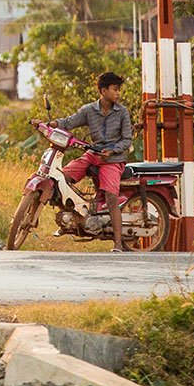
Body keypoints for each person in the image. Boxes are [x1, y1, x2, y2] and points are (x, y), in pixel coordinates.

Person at [57, 71, 133, 251]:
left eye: (119, 90)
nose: (118, 93)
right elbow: (68, 122)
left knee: (111, 197)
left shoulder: (122, 112)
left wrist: (112, 150)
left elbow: (127, 139)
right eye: (115, 89)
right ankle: (71, 219)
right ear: (104, 90)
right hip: (92, 154)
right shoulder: (89, 110)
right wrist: (50, 124)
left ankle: (117, 243)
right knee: (61, 178)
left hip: (113, 159)